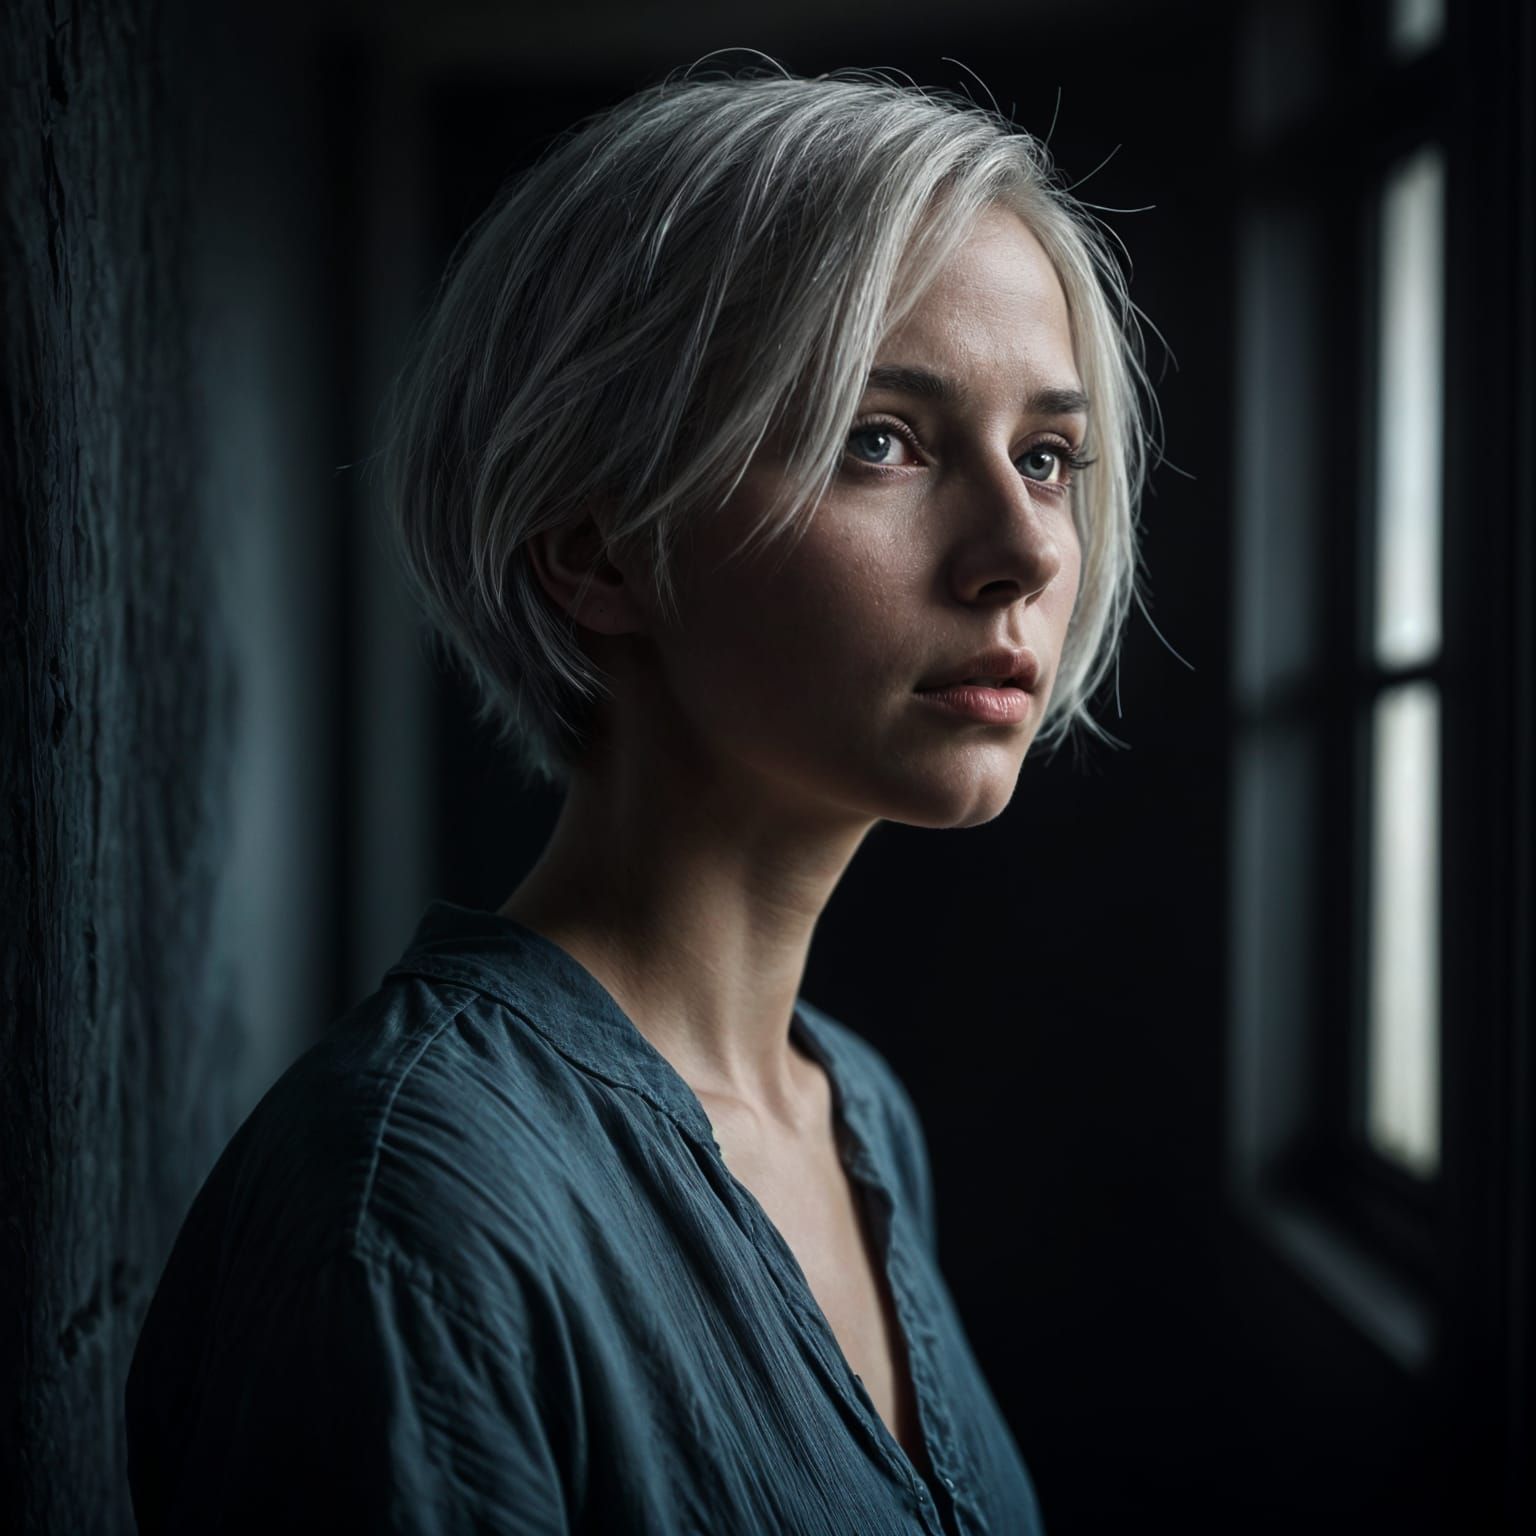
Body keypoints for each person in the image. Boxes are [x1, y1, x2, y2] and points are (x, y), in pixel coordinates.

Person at [126, 65, 1153, 1535]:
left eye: (1047, 456)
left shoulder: (856, 1114)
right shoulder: (411, 1211)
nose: (1025, 549)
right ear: (595, 552)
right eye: (882, 438)